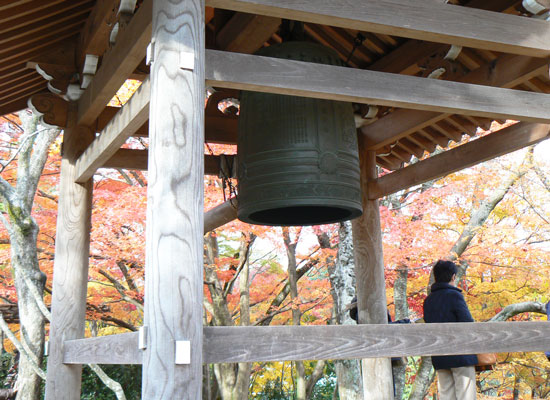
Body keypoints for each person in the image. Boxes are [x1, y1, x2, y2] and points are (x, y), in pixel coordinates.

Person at [423, 260, 477, 400]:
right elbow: (467, 323)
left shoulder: (428, 301)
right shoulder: (454, 296)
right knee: (466, 396)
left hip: (440, 356)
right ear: (453, 276)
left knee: (446, 395)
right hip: (461, 354)